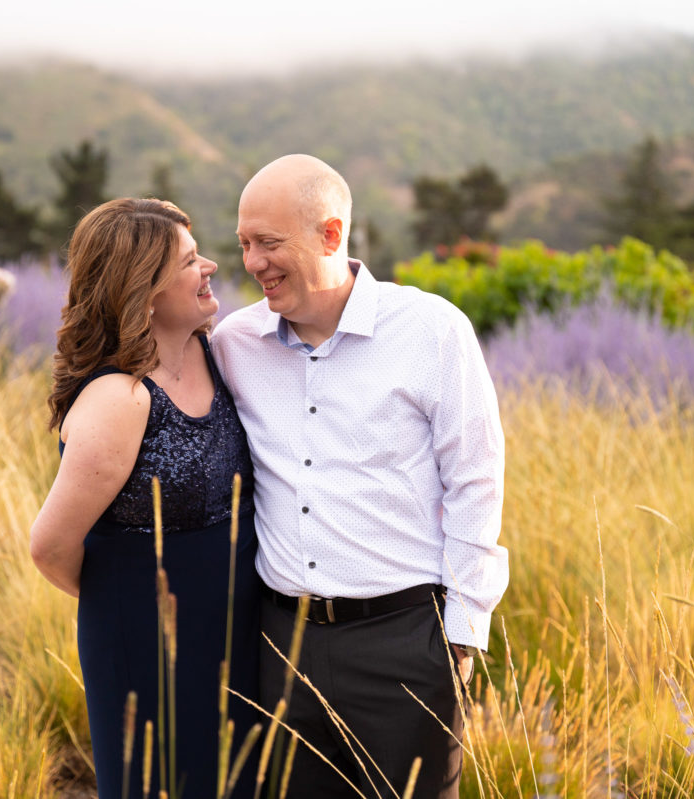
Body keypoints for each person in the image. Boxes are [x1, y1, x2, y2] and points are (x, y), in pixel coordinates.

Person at [210, 155, 507, 799]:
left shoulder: (432, 331)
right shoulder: (235, 343)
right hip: (278, 647)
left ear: (330, 234)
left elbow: (476, 481)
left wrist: (461, 632)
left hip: (404, 646)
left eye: (269, 242)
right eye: (243, 245)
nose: (253, 262)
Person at [29, 198, 259, 799]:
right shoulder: (119, 398)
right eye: (188, 261)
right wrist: (134, 602)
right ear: (145, 289)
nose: (209, 265)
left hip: (238, 635)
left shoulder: (217, 356)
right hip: (150, 646)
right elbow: (51, 547)